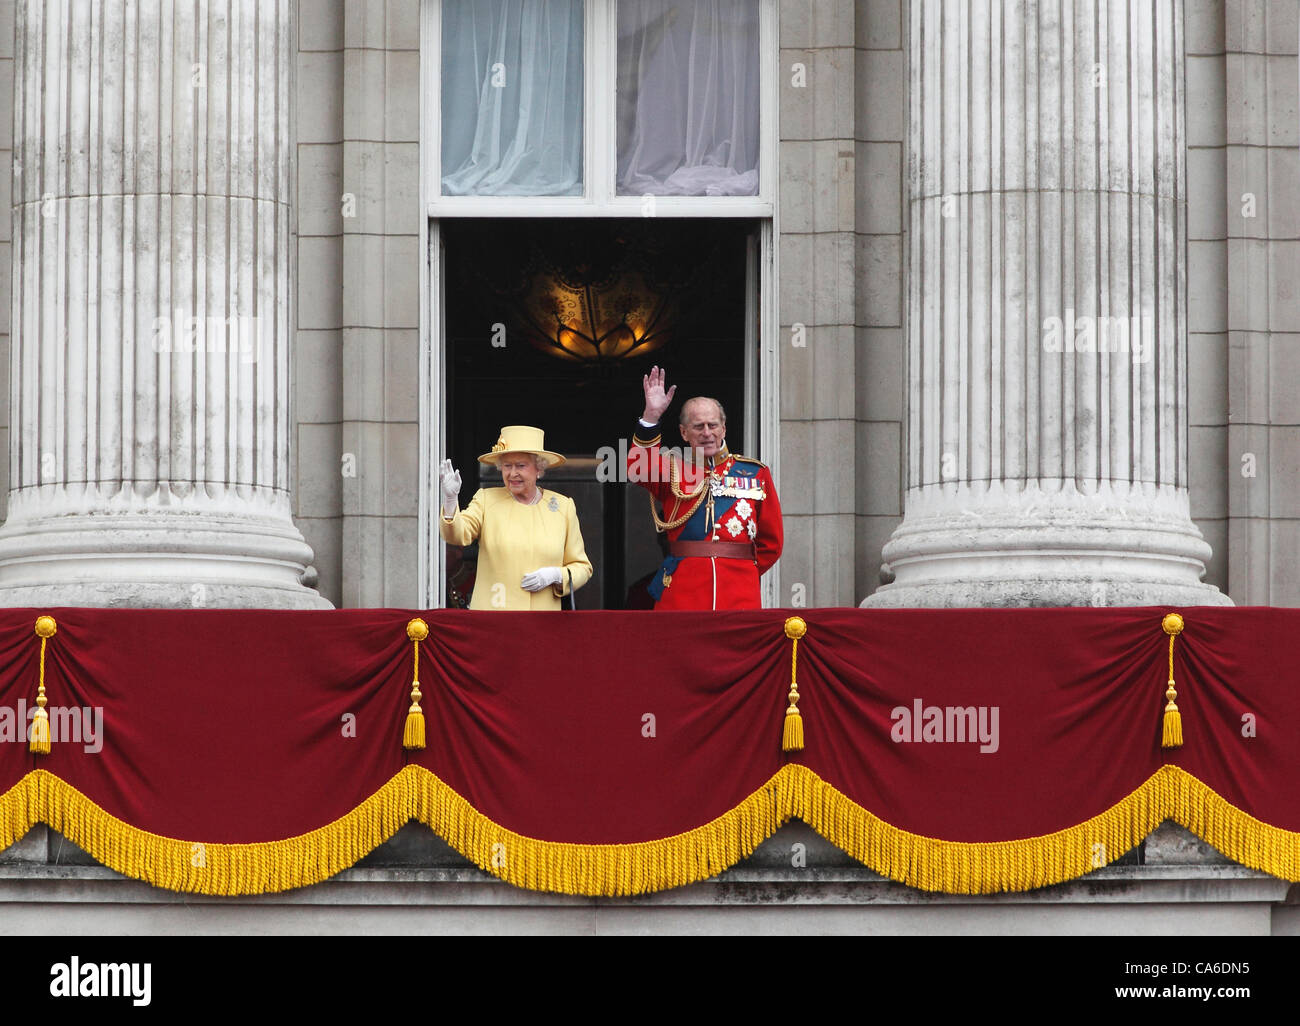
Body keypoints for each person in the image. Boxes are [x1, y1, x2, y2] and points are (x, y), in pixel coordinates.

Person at [628, 366, 782, 610]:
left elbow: (771, 543)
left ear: (724, 429)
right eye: (699, 427)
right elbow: (638, 468)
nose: (707, 433)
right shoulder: (672, 470)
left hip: (739, 595)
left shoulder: (756, 473)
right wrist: (651, 416)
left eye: (713, 425)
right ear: (684, 432)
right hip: (683, 595)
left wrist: (741, 572)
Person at [440, 426, 593, 610]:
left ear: (539, 468)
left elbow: (582, 567)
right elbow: (457, 535)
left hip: (543, 623)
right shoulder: (486, 500)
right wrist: (450, 500)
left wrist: (557, 575)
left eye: (521, 465)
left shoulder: (562, 507)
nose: (513, 473)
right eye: (507, 466)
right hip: (493, 621)